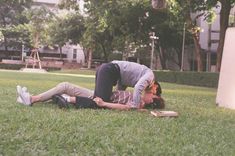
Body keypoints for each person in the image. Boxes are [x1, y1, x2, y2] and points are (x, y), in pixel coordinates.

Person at [16, 81, 164, 110]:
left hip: (99, 97)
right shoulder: (138, 100)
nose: (148, 92)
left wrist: (103, 103)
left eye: (151, 94)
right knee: (64, 88)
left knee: (65, 86)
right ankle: (30, 98)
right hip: (100, 93)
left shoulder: (138, 105)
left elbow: (123, 107)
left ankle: (31, 99)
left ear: (152, 100)